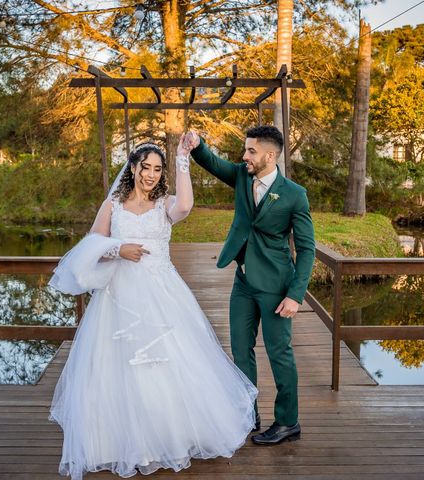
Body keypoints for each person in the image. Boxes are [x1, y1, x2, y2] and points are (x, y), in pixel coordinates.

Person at [48, 141, 257, 479]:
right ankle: (117, 440)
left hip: (163, 294)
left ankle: (170, 435)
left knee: (170, 362)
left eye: (157, 169)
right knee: (119, 367)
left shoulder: (166, 204)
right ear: (133, 168)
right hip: (119, 298)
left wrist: (181, 159)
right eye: (146, 167)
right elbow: (91, 247)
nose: (150, 174)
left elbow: (187, 206)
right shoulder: (112, 206)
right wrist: (118, 249)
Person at [181, 126, 315, 445]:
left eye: (251, 151)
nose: (244, 157)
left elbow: (308, 249)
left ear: (270, 155)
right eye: (245, 150)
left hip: (275, 286)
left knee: (279, 353)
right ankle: (247, 413)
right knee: (241, 350)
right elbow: (214, 163)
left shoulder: (295, 194)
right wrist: (198, 145)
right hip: (242, 281)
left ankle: (287, 422)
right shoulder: (242, 175)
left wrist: (295, 296)